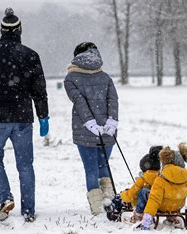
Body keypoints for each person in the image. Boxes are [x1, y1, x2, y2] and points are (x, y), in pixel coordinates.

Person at [0, 8, 49, 223]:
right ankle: (29, 210)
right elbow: (39, 90)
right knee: (25, 164)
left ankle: (5, 197)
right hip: (23, 118)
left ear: (1, 30)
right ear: (20, 30)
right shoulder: (31, 55)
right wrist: (43, 117)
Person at [64, 42, 119, 215]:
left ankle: (97, 208)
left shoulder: (70, 79)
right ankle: (109, 202)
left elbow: (79, 102)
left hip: (84, 130)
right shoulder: (105, 77)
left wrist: (89, 123)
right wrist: (112, 121)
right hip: (107, 130)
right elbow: (113, 100)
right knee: (103, 165)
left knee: (90, 168)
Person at [140, 143, 187, 230]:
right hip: (177, 207)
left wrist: (146, 220)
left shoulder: (160, 180)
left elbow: (154, 200)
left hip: (162, 207)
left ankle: (140, 215)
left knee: (145, 192)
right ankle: (175, 218)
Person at [119, 146, 162, 223]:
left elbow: (130, 195)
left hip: (144, 206)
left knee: (141, 192)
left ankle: (139, 215)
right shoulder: (161, 178)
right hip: (158, 205)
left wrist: (122, 195)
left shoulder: (143, 179)